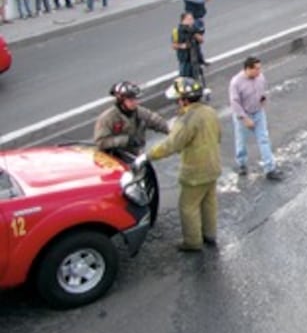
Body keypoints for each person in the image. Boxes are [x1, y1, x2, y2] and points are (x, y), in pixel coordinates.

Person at [139, 77, 221, 252]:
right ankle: (210, 234)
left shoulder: (185, 120)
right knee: (209, 202)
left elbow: (171, 145)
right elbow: (218, 136)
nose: (177, 103)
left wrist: (148, 156)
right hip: (213, 166)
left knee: (188, 207)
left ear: (184, 99)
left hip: (194, 172)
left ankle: (193, 242)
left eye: (178, 99)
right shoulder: (210, 112)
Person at [229, 56, 283, 180]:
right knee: (241, 141)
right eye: (256, 69)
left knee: (263, 139)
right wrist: (244, 118)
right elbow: (235, 103)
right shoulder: (236, 82)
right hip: (243, 115)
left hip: (258, 113)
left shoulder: (260, 77)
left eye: (260, 69)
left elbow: (263, 90)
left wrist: (263, 98)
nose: (259, 72)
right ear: (248, 69)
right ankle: (241, 164)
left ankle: (270, 169)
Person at [93, 81, 169, 157]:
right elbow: (101, 142)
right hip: (113, 159)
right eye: (131, 100)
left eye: (136, 99)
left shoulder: (139, 112)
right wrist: (126, 140)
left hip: (134, 156)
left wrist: (173, 130)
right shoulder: (107, 118)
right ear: (121, 100)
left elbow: (156, 121)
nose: (135, 103)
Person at [171, 11, 202, 78]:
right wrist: (183, 46)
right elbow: (174, 46)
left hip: (194, 59)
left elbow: (201, 40)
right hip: (184, 60)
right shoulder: (176, 31)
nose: (192, 21)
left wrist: (195, 34)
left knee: (196, 79)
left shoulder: (194, 29)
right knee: (184, 79)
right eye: (190, 19)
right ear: (184, 20)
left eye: (192, 19)